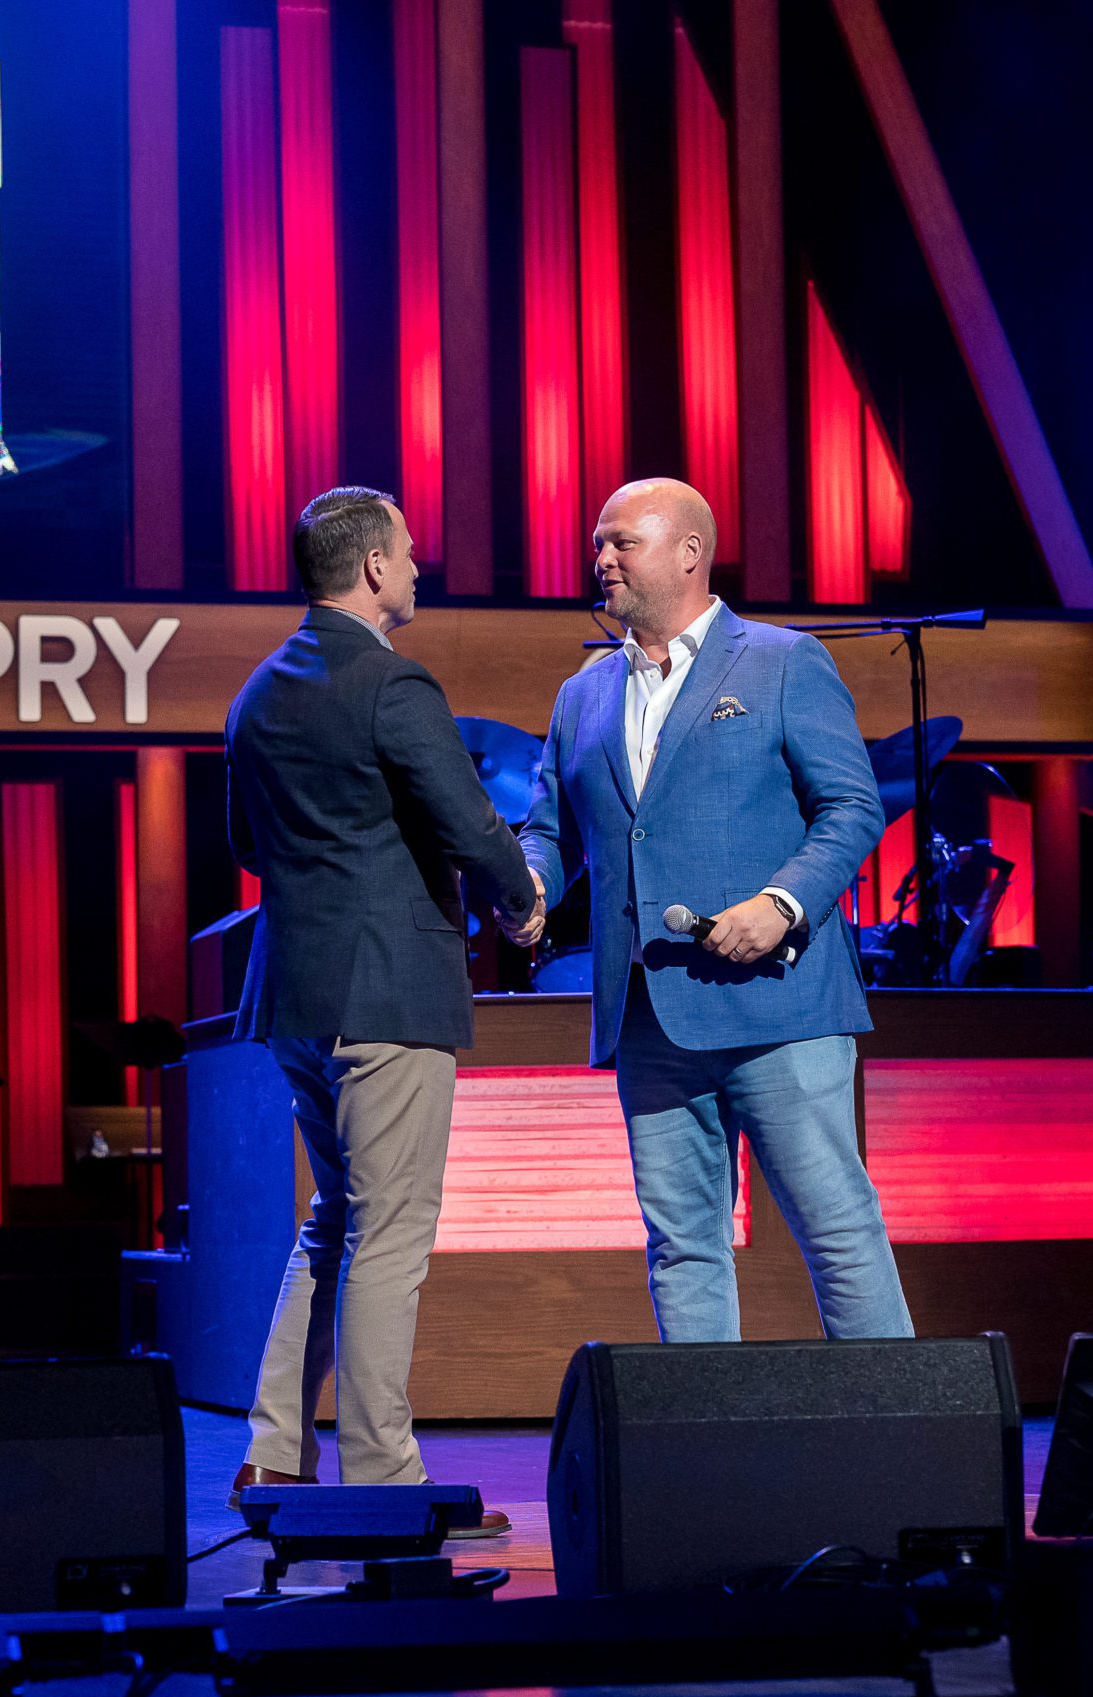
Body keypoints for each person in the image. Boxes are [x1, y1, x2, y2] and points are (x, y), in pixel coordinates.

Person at [509, 478, 913, 1342]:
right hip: (651, 1015)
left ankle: (897, 1443)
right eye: (598, 544)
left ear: (690, 551)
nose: (602, 558)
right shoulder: (581, 695)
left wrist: (782, 902)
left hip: (781, 1005)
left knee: (836, 1231)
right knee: (682, 1246)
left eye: (623, 542)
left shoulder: (780, 660)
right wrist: (532, 887)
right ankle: (704, 1460)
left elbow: (853, 807)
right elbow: (548, 828)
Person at [225, 485, 535, 1533]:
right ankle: (383, 1485)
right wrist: (523, 899)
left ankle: (272, 1455)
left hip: (295, 996)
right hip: (387, 992)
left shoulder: (258, 691)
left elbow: (243, 844)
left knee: (337, 1221)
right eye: (406, 554)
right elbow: (472, 824)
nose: (417, 568)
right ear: (368, 569)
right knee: (390, 1235)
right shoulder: (395, 685)